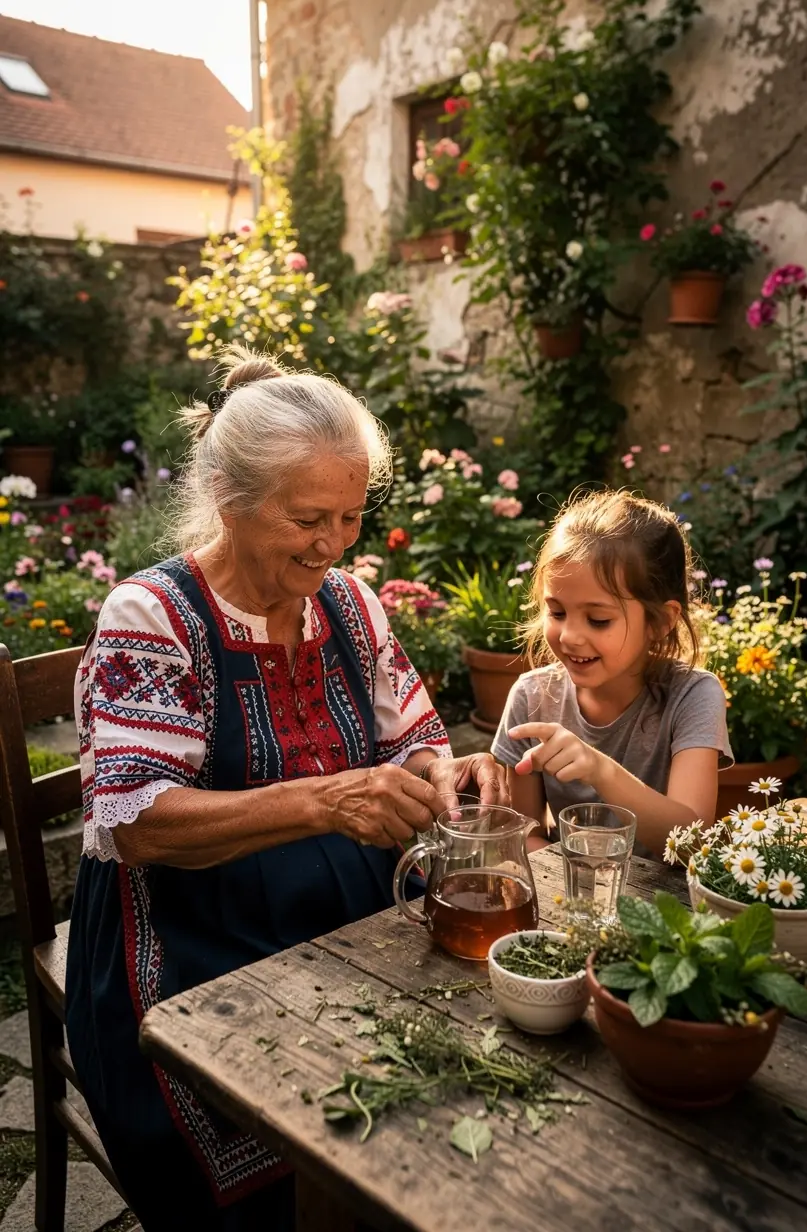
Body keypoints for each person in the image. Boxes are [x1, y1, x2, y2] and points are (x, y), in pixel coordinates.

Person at [66, 345, 507, 1232]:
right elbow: (140, 826)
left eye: (350, 517)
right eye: (309, 517)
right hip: (189, 943)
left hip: (345, 918)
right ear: (229, 495)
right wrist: (326, 801)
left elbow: (415, 739)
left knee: (465, 1079)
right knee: (300, 1146)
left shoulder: (351, 603)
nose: (334, 544)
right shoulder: (154, 616)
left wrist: (445, 774)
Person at [491, 489, 733, 856]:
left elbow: (692, 841)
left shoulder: (693, 695)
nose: (570, 636)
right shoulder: (531, 697)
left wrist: (599, 771)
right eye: (556, 612)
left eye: (598, 620)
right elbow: (522, 832)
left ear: (660, 621)